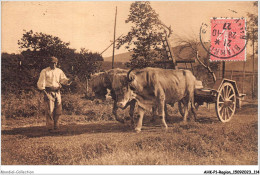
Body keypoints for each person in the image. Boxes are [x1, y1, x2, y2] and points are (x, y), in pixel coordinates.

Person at [37, 56, 71, 132]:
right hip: (48, 92)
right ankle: (50, 127)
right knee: (49, 110)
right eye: (52, 63)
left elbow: (63, 80)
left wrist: (69, 80)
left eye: (55, 63)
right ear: (49, 63)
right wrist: (44, 93)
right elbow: (41, 83)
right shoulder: (45, 71)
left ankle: (56, 126)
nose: (53, 64)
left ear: (57, 63)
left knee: (58, 110)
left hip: (57, 92)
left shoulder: (59, 71)